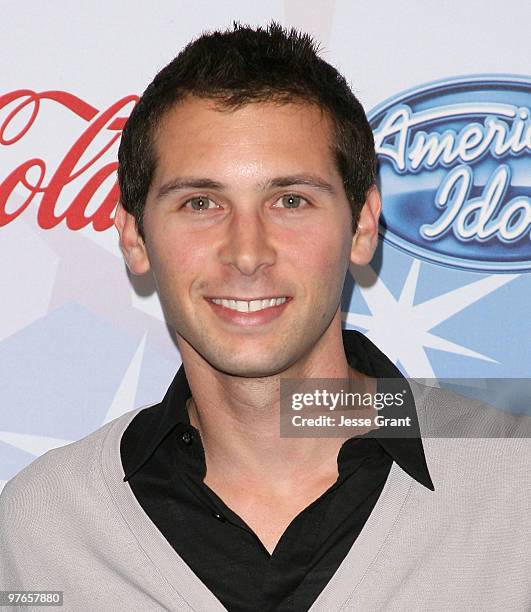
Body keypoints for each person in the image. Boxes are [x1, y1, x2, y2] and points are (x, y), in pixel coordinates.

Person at [1, 22, 529, 612]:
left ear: (361, 226)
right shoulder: (44, 529)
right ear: (134, 238)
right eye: (201, 203)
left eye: (290, 201)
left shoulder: (518, 481)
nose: (247, 253)